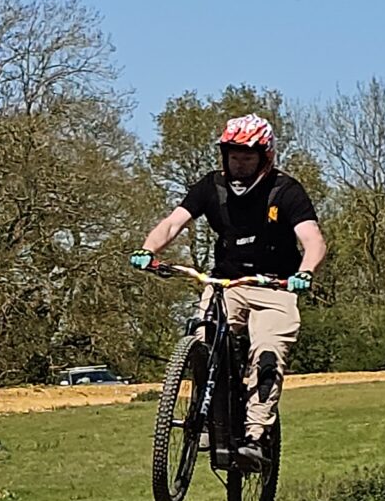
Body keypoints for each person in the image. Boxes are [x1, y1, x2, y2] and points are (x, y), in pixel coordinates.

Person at [133, 114, 326, 467]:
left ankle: (256, 435)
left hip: (274, 286)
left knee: (267, 350)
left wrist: (305, 271)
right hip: (226, 284)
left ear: (265, 157)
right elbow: (174, 223)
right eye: (233, 156)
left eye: (247, 157)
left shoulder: (285, 190)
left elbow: (312, 239)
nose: (239, 163)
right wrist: (149, 250)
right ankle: (206, 416)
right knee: (203, 339)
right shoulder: (212, 186)